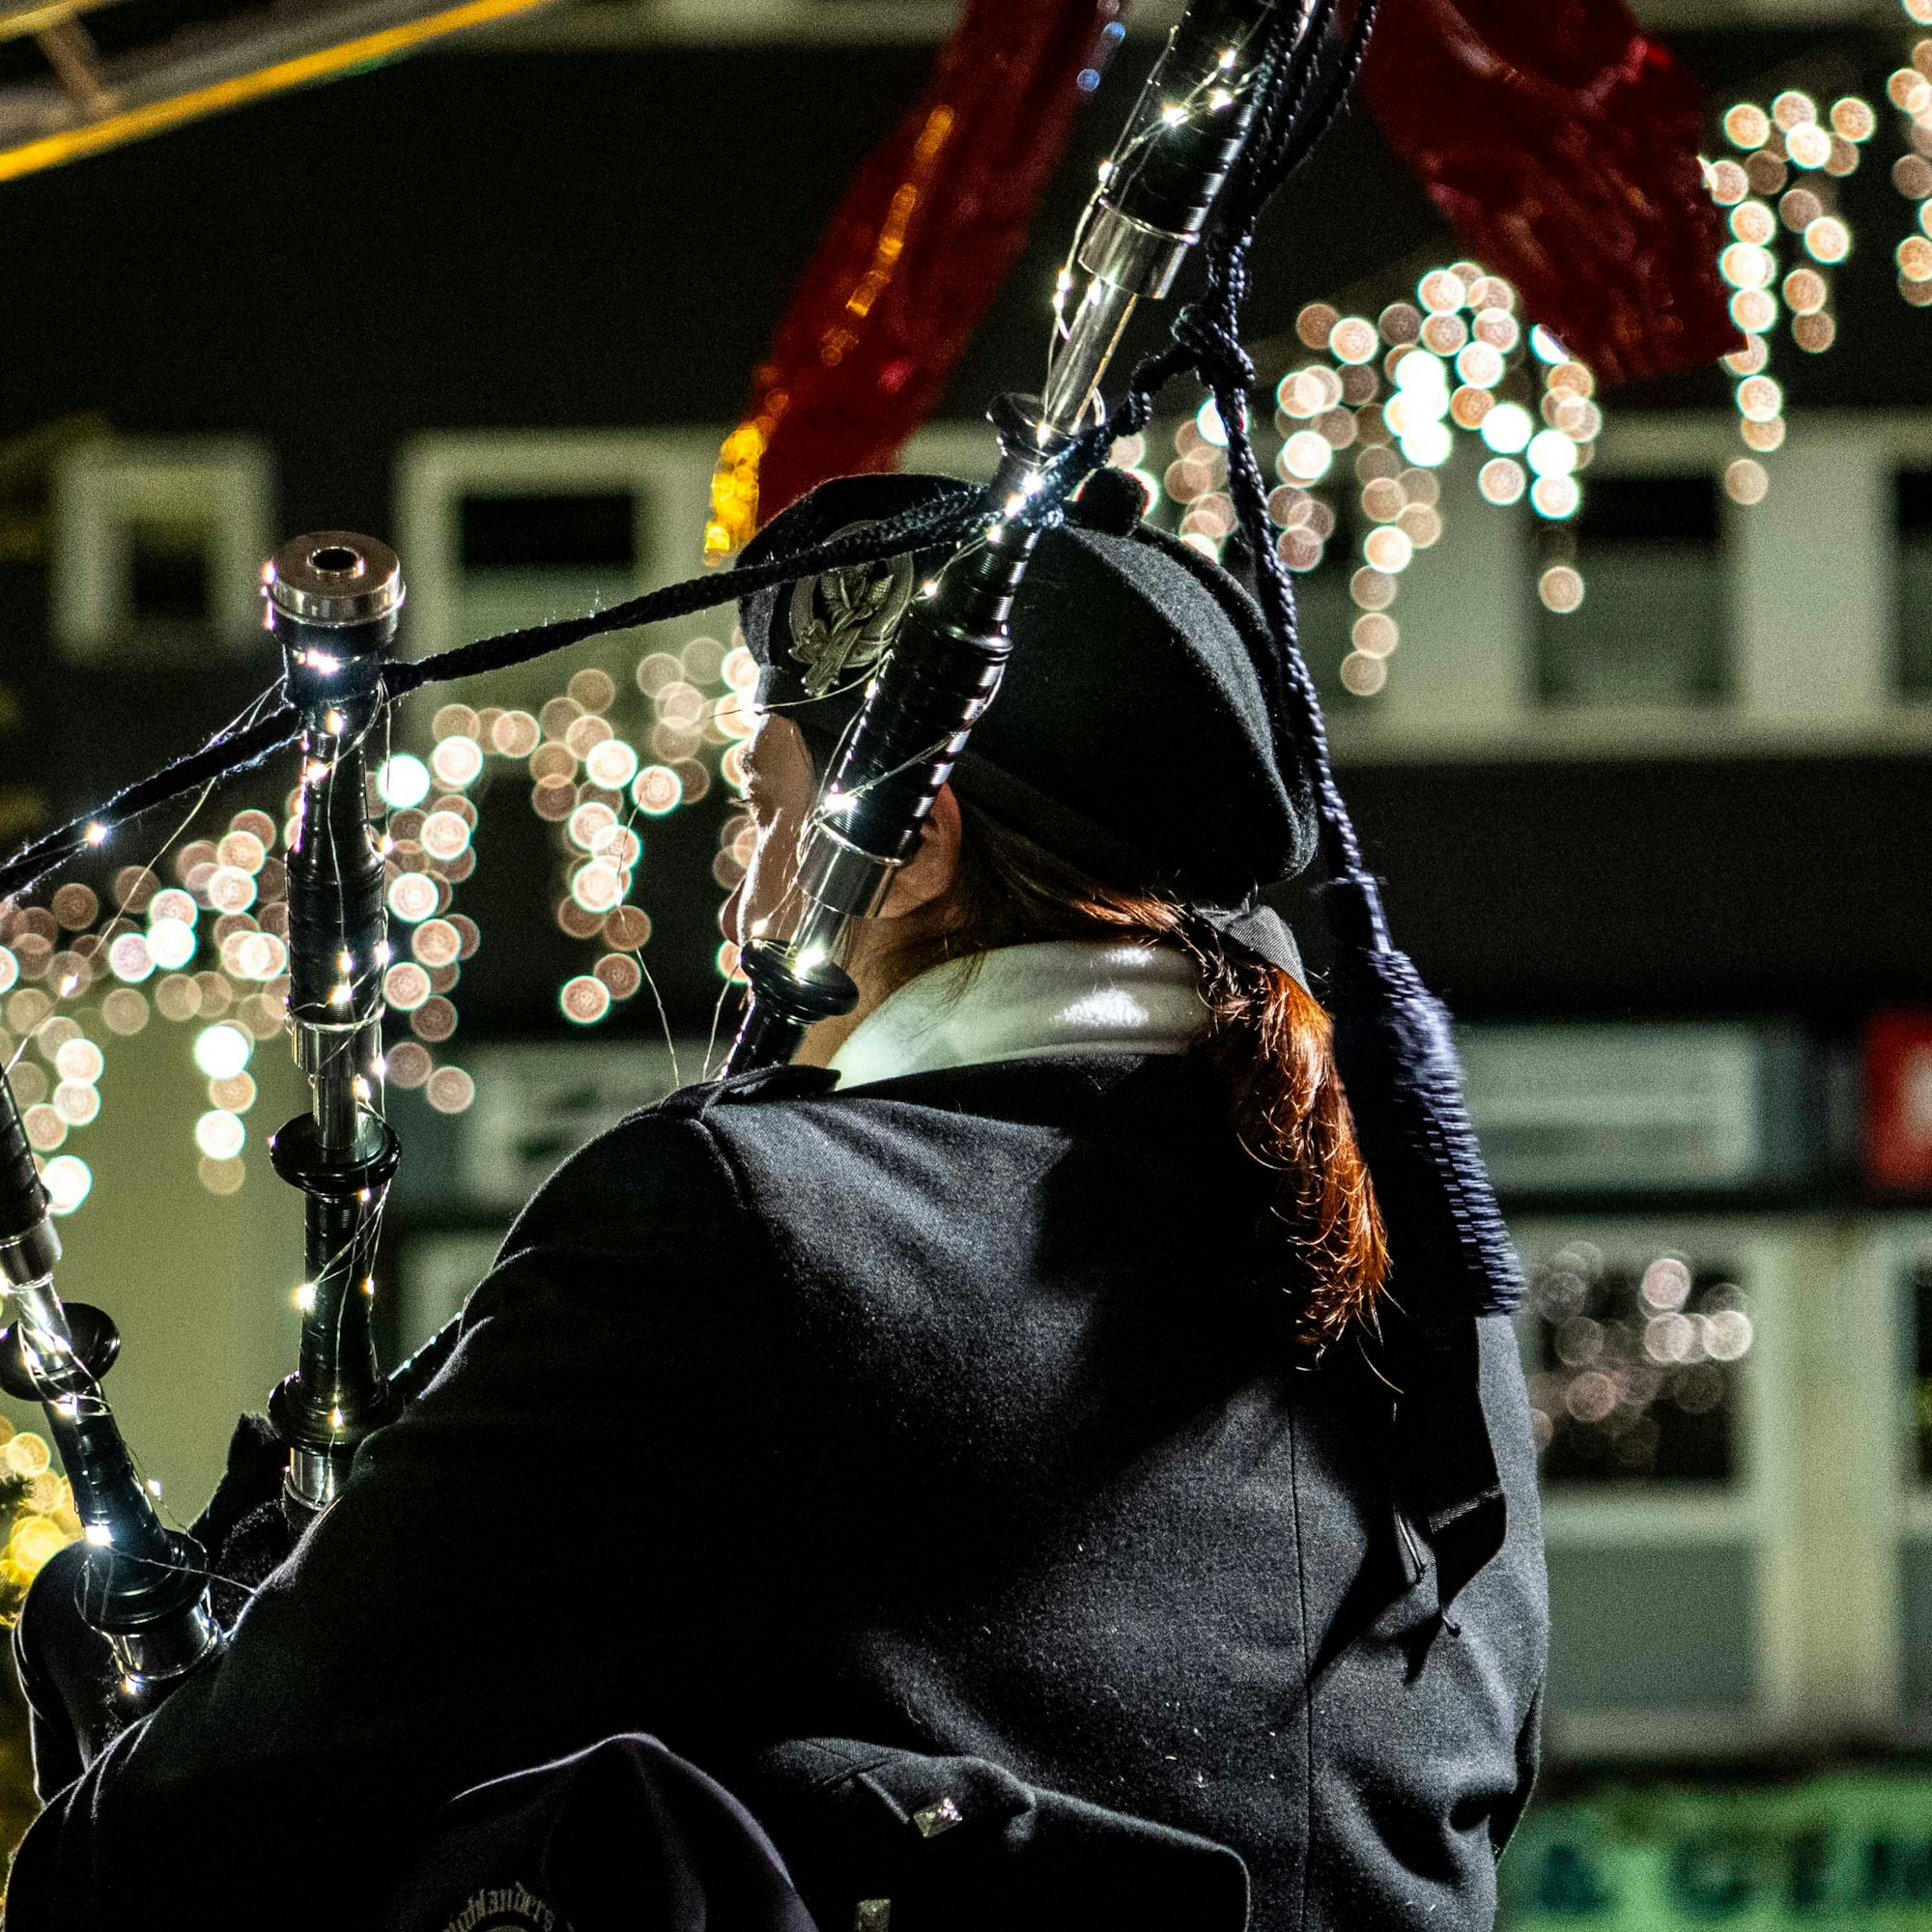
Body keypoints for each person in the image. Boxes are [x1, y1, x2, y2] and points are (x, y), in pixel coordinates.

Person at [4, 471, 1546, 1932]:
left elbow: (189, 1836)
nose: (742, 906)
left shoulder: (744, 1220)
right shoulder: (1425, 1286)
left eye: (760, 815)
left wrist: (118, 1689)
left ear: (915, 847)